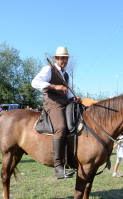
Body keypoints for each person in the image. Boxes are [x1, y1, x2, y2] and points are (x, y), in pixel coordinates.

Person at [31, 46, 80, 179]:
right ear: (56, 58)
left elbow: (67, 91)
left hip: (65, 103)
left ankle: (72, 158)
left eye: (66, 58)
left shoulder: (66, 74)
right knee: (61, 128)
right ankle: (59, 167)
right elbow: (35, 82)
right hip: (52, 103)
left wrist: (73, 97)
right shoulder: (48, 69)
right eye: (62, 58)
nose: (64, 60)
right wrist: (54, 86)